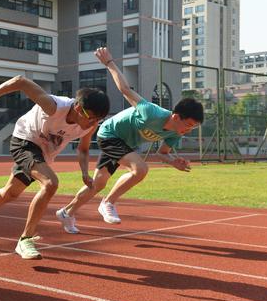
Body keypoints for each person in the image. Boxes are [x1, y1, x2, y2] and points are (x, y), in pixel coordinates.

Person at [55, 47, 204, 233]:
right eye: (188, 125)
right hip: (110, 134)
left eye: (193, 128)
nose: (188, 130)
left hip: (124, 145)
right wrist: (109, 63)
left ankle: (66, 212)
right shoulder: (151, 112)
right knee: (140, 169)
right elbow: (125, 89)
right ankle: (108, 202)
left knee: (98, 184)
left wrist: (174, 162)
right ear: (176, 117)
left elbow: (162, 153)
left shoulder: (174, 133)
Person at [0, 75, 109, 259]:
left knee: (10, 194)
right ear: (78, 108)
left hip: (43, 154)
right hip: (24, 140)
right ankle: (25, 240)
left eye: (98, 120)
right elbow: (21, 81)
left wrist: (85, 173)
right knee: (50, 183)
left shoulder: (88, 126)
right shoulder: (54, 107)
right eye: (91, 118)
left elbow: (84, 149)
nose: (94, 124)